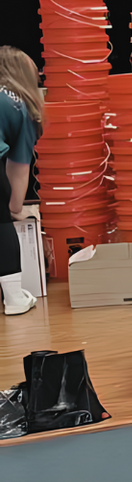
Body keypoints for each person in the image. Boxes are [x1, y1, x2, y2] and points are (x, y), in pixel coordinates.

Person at [0, 47, 42, 315]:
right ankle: (14, 297)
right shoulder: (19, 103)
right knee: (1, 220)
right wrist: (15, 208)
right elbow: (19, 167)